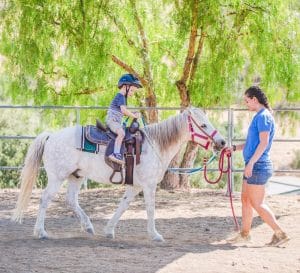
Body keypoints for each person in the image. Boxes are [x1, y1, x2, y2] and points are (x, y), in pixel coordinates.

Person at [227, 86, 289, 246]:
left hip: (258, 165)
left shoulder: (263, 117)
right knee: (246, 200)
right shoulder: (260, 116)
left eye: (247, 101)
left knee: (257, 203)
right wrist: (234, 148)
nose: (246, 104)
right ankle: (245, 234)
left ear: (255, 99)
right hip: (254, 164)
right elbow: (252, 143)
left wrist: (252, 163)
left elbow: (264, 143)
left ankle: (280, 233)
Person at [106, 73, 142, 165]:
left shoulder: (122, 98)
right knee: (121, 133)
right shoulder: (121, 96)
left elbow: (122, 112)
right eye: (132, 90)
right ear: (126, 86)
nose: (132, 93)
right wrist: (134, 116)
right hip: (112, 121)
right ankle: (115, 154)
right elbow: (123, 110)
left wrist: (133, 114)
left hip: (116, 120)